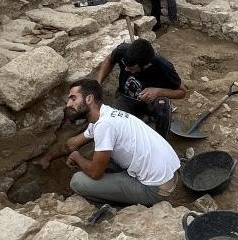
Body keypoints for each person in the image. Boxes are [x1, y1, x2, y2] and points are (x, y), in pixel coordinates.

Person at [38, 78, 180, 207]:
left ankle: (118, 205)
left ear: (89, 99)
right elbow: (73, 144)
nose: (68, 104)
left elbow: (95, 173)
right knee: (103, 156)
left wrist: (77, 157)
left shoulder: (104, 125)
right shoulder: (105, 115)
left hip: (155, 188)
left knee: (77, 181)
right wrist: (48, 157)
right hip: (168, 172)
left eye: (73, 98)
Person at [95, 38, 186, 137]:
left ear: (147, 65)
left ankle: (161, 139)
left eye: (132, 69)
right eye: (125, 66)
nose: (126, 69)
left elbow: (182, 92)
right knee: (111, 121)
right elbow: (109, 59)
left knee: (162, 106)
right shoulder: (123, 50)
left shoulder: (163, 66)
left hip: (151, 102)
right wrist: (98, 83)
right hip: (125, 98)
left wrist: (159, 92)